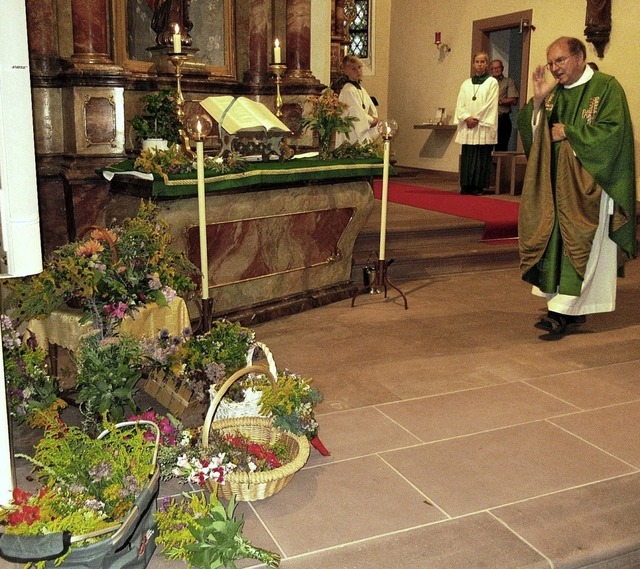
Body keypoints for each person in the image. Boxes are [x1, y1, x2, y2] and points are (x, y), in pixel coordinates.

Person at [517, 36, 636, 337]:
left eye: (560, 60)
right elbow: (532, 134)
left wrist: (570, 131)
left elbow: (614, 133)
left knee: (582, 246)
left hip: (589, 188)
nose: (555, 68)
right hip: (554, 187)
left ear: (580, 56)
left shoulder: (607, 87)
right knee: (553, 242)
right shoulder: (554, 93)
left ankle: (562, 312)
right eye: (551, 62)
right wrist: (539, 101)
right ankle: (565, 309)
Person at [454, 51, 498, 195]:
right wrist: (466, 118)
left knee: (480, 155)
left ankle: (478, 186)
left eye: (483, 62)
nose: (480, 65)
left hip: (482, 124)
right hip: (468, 125)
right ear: (473, 64)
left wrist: (476, 118)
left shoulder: (492, 82)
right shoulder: (466, 84)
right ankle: (466, 184)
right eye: (477, 62)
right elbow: (460, 103)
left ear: (487, 64)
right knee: (468, 155)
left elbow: (490, 104)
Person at [334, 55, 379, 147]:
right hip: (352, 132)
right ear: (346, 71)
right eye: (354, 69)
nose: (358, 71)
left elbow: (371, 107)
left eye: (359, 67)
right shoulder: (348, 90)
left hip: (363, 126)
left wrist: (375, 117)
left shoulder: (361, 89)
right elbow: (356, 112)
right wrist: (371, 120)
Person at [490, 59, 519, 150]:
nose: (495, 70)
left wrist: (499, 101)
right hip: (488, 120)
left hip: (502, 119)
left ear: (502, 68)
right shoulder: (487, 83)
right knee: (486, 149)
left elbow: (513, 100)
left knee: (501, 149)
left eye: (497, 67)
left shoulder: (509, 82)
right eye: (493, 68)